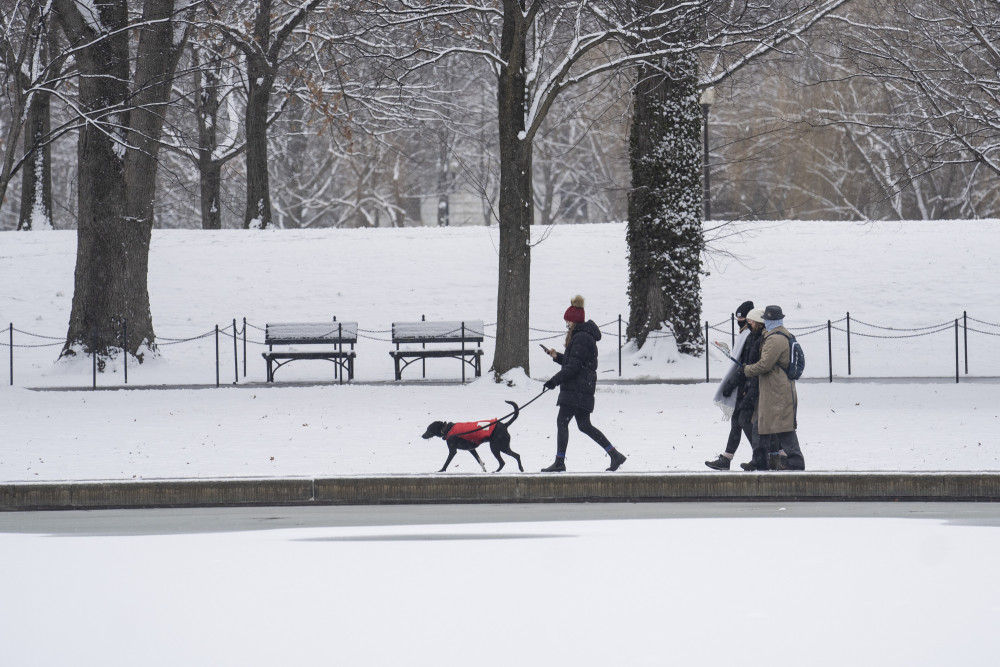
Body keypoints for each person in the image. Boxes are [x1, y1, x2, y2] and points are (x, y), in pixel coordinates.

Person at [540, 295, 627, 472]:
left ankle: (559, 462)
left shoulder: (581, 338)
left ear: (574, 322)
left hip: (577, 390)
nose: (567, 326)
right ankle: (615, 455)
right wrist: (557, 357)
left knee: (562, 422)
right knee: (584, 425)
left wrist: (554, 381)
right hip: (581, 388)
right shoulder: (583, 336)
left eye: (568, 323)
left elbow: (573, 368)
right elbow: (574, 362)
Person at [741, 304, 805, 470]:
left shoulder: (775, 339)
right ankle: (759, 460)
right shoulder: (778, 335)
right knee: (760, 425)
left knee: (783, 427)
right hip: (772, 390)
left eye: (767, 320)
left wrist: (747, 369)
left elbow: (765, 365)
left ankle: (795, 461)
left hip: (778, 391)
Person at [706, 300, 759, 470]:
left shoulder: (749, 336)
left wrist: (732, 383)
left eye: (743, 319)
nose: (740, 322)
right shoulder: (746, 335)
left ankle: (761, 456)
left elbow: (745, 365)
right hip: (744, 385)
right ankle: (727, 458)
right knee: (738, 421)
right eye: (738, 318)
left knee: (743, 421)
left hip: (747, 386)